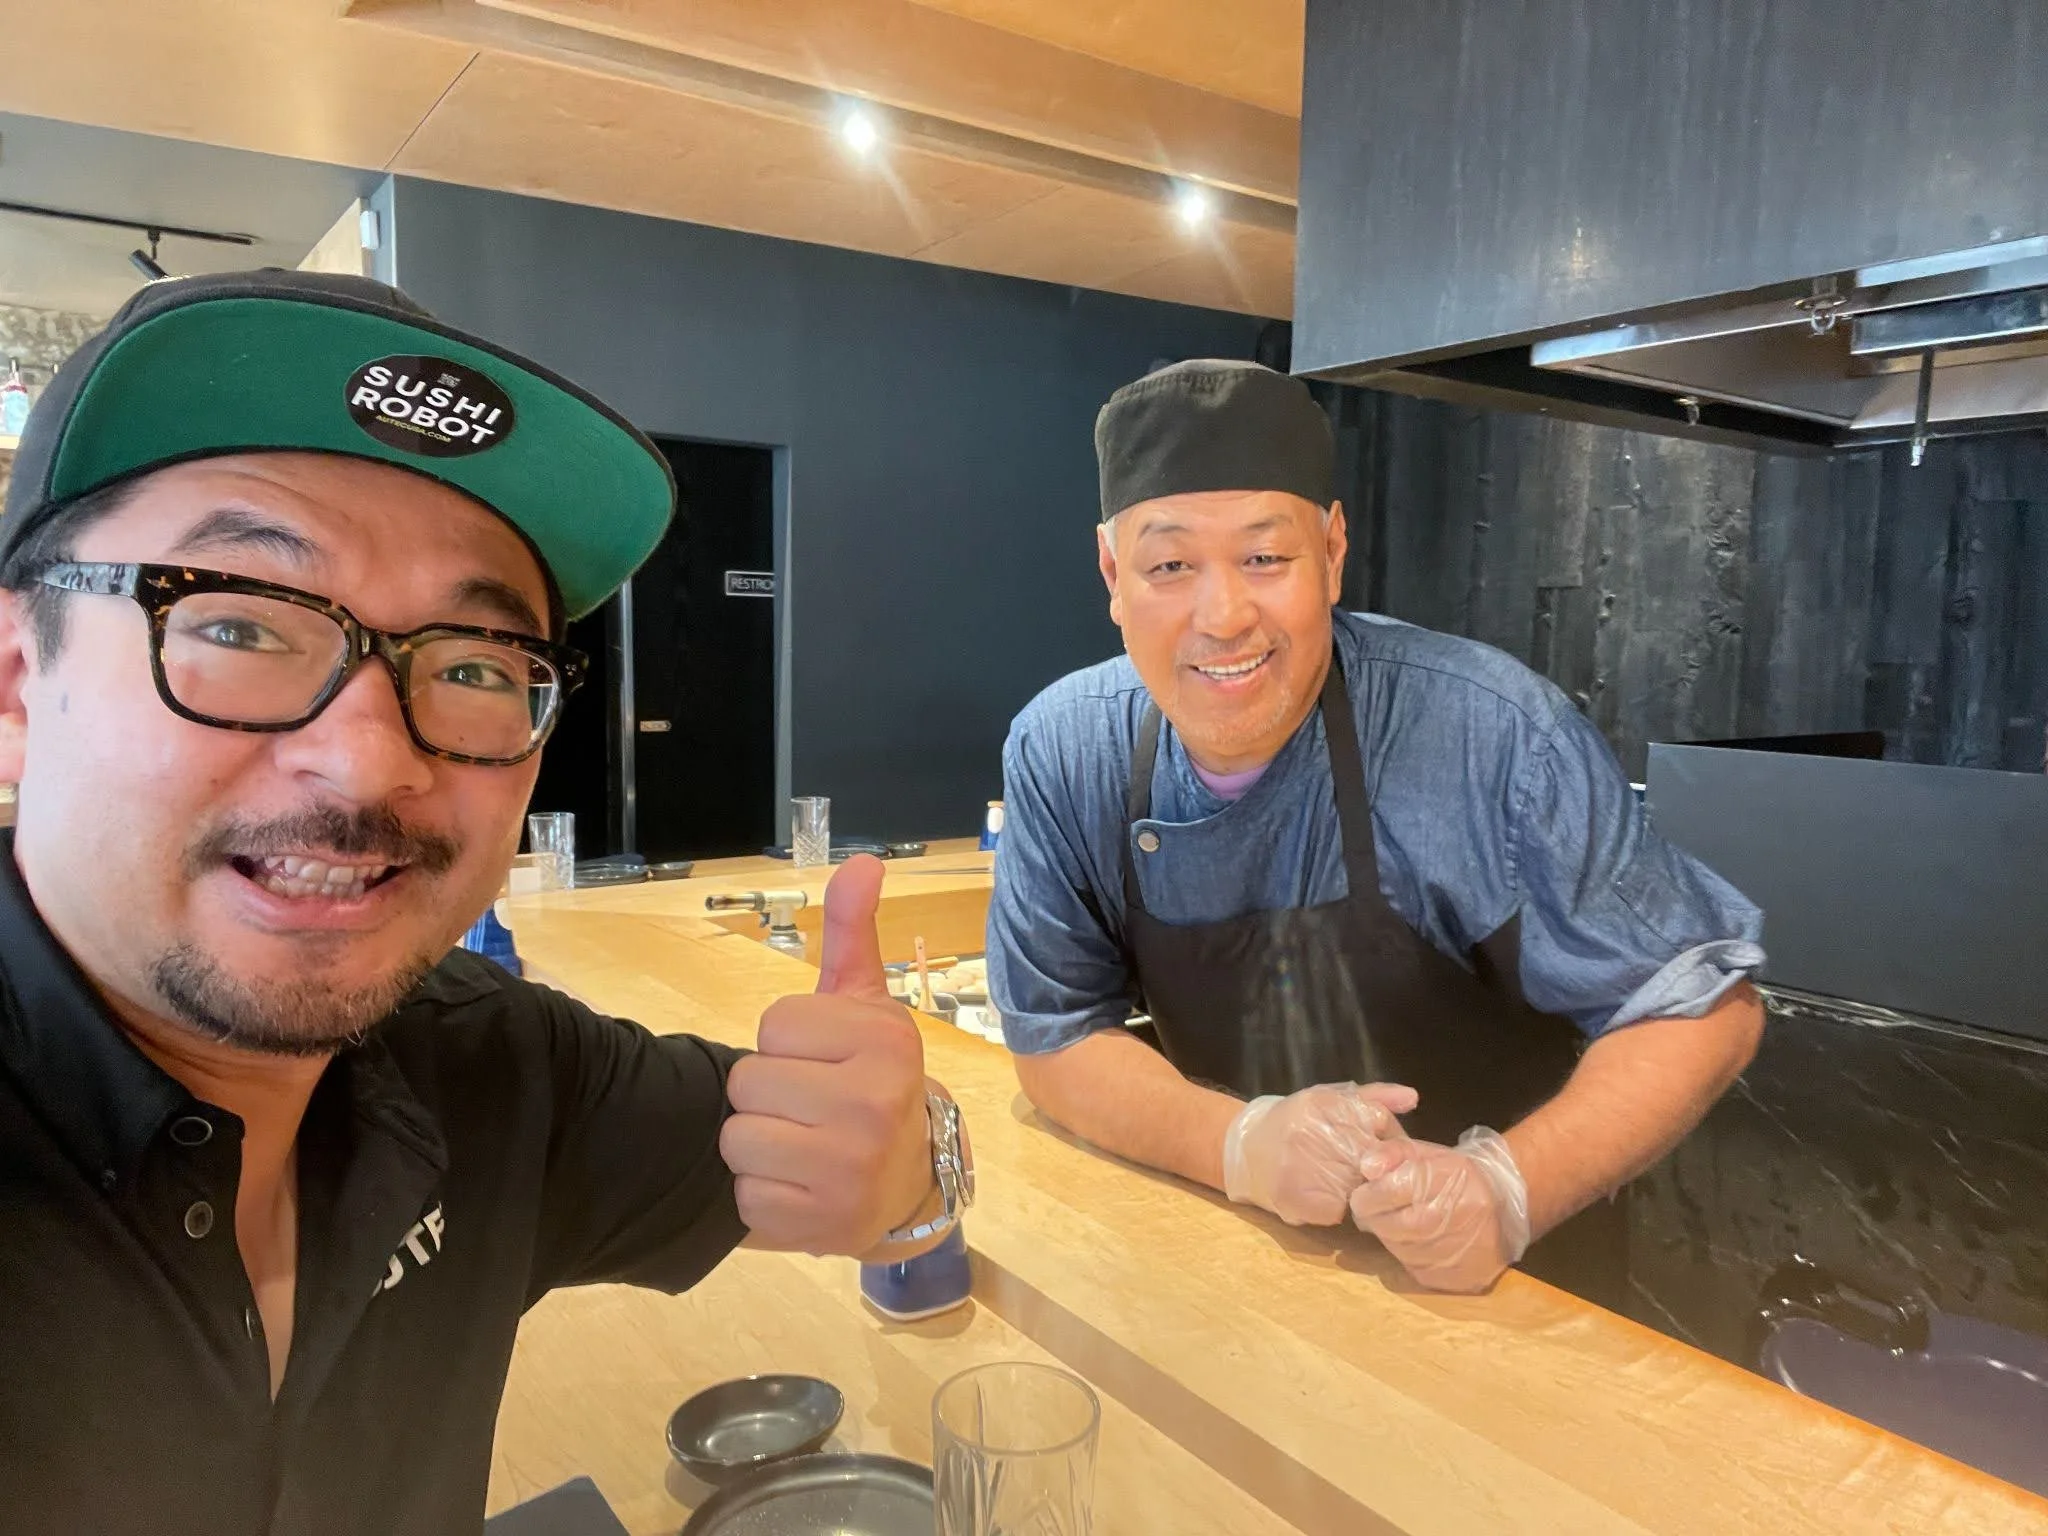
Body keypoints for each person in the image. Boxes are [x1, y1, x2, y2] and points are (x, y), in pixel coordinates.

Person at [0, 271, 969, 1534]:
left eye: (468, 665)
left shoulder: (483, 1066)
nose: (365, 761)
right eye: (238, 628)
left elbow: (842, 1147)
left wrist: (911, 1162)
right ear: (18, 685)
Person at [987, 359, 1764, 1303]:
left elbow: (1698, 1005)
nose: (1224, 615)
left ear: (1334, 551)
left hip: (1518, 1289)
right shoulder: (1065, 748)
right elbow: (1056, 1034)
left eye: (1266, 558)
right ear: (1114, 573)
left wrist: (1507, 1189)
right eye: (1170, 565)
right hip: (1247, 1265)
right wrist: (1237, 1145)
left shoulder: (1492, 732)